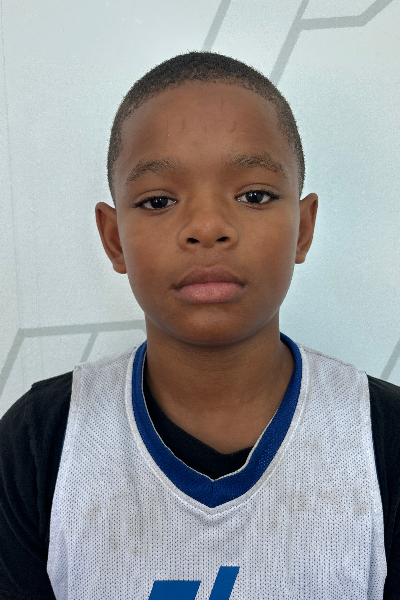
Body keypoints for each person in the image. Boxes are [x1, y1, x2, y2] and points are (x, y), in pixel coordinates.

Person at [0, 51, 399, 600]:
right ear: (114, 239)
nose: (207, 227)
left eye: (254, 196)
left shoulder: (383, 440)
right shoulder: (41, 443)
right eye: (158, 200)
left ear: (303, 228)